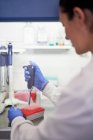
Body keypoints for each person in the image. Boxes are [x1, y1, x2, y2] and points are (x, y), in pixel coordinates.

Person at [8, 0, 93, 139]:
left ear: (78, 16)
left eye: (65, 25)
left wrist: (17, 121)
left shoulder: (84, 89)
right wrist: (45, 86)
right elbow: (76, 108)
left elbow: (40, 138)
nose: (66, 35)